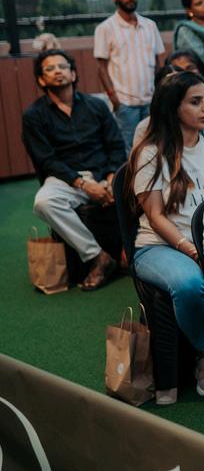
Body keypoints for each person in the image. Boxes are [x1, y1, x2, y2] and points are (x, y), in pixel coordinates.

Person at [125, 70, 204, 403]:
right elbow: (156, 216)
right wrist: (191, 249)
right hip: (159, 247)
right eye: (195, 102)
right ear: (173, 108)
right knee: (189, 285)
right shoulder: (150, 153)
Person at [22, 49, 126, 290]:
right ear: (41, 80)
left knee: (143, 188)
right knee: (44, 202)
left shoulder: (97, 106)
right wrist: (83, 184)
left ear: (73, 73)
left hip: (104, 175)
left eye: (62, 66)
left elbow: (116, 145)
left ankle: (130, 252)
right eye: (49, 69)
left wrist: (112, 178)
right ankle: (97, 256)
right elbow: (46, 160)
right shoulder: (34, 116)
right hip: (66, 180)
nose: (57, 71)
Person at [94, 0, 165, 147]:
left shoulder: (150, 25)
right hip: (125, 104)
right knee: (131, 151)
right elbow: (101, 68)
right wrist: (115, 101)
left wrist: (160, 95)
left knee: (156, 148)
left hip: (151, 102)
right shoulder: (105, 28)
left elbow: (158, 63)